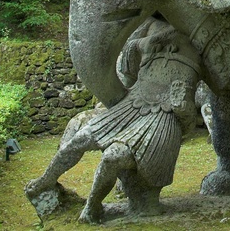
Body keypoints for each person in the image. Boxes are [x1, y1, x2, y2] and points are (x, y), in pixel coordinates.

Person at [25, 18, 202, 224]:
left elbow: (189, 120)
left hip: (161, 118)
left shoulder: (199, 43)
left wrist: (183, 107)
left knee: (113, 156)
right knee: (80, 138)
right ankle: (45, 180)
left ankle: (93, 205)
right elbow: (128, 59)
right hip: (132, 103)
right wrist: (149, 41)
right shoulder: (151, 28)